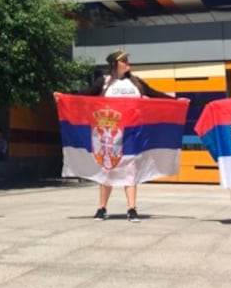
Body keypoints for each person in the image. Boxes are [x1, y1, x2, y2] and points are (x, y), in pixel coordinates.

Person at [75, 49, 177, 223]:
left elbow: (154, 94)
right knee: (107, 169)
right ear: (115, 64)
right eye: (124, 60)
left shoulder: (136, 83)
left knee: (131, 169)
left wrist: (175, 101)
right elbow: (86, 94)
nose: (128, 62)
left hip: (132, 133)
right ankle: (102, 208)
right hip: (110, 134)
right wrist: (64, 97)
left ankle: (131, 208)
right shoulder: (104, 82)